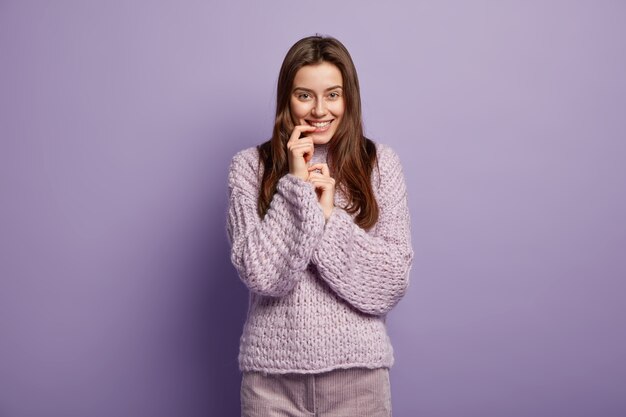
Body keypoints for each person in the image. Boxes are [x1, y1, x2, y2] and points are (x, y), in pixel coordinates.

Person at [226, 35, 414, 417]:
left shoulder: (380, 164)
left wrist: (329, 219)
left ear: (349, 99)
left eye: (332, 94)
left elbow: (391, 282)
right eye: (304, 95)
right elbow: (263, 275)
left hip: (358, 381)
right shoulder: (249, 167)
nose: (318, 110)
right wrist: (295, 186)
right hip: (271, 383)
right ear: (286, 99)